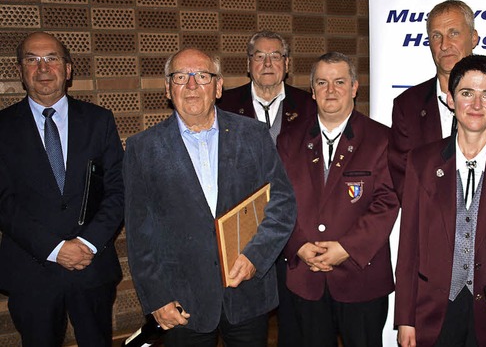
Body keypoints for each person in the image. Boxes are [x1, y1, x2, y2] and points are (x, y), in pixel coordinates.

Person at [123, 47, 296, 347]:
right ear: (167, 88)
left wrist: (256, 256)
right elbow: (140, 235)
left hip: (247, 294)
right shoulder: (143, 148)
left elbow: (282, 203)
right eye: (181, 77)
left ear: (218, 87)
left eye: (202, 76)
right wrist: (157, 298)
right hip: (182, 303)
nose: (191, 85)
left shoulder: (254, 135)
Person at [395, 55, 486, 347]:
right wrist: (405, 318)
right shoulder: (421, 161)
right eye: (467, 93)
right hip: (434, 311)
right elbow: (408, 246)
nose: (477, 105)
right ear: (450, 99)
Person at [0, 32, 124, 346]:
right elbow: (4, 203)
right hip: (32, 270)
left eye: (52, 58)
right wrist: (56, 249)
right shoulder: (2, 127)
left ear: (68, 69)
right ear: (20, 70)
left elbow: (118, 190)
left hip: (91, 265)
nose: (43, 68)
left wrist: (87, 242)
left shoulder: (99, 120)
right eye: (32, 59)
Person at [277, 52, 399, 347]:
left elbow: (387, 201)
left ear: (355, 87)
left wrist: (347, 248)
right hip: (305, 276)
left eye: (340, 82)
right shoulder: (288, 140)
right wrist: (299, 246)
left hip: (362, 277)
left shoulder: (382, 139)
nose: (331, 90)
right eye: (322, 82)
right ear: (312, 90)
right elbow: (276, 201)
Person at [216, 30, 315, 347]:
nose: (267, 62)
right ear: (249, 64)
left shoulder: (310, 105)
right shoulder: (225, 106)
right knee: (248, 325)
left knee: (295, 324)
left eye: (275, 56)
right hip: (243, 233)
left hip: (296, 229)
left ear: (287, 64)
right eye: (260, 55)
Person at [389, 0, 486, 199]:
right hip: (431, 224)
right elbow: (403, 177)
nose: (445, 45)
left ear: (474, 38)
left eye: (453, 33)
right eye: (436, 36)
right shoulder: (407, 105)